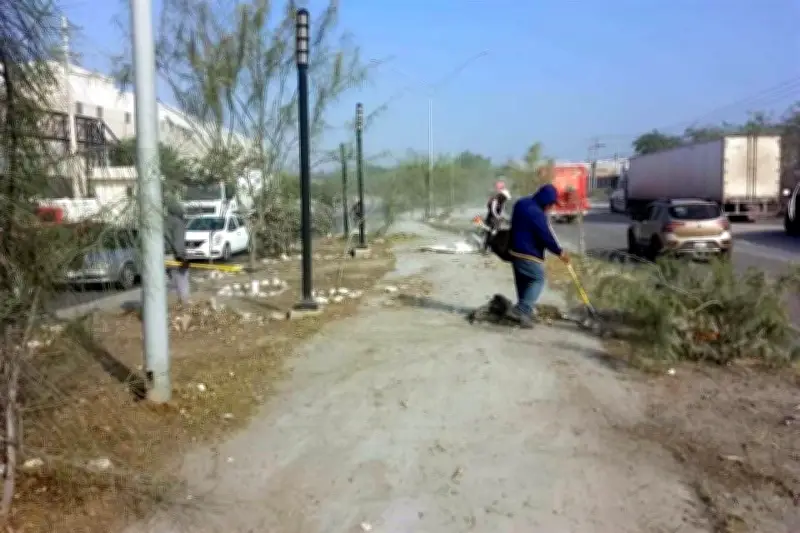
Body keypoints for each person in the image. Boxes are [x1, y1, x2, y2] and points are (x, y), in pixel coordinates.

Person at [507, 183, 569, 328]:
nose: (551, 207)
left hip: (514, 251)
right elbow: (545, 236)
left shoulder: (521, 203)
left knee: (524, 282)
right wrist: (559, 252)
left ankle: (523, 315)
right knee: (537, 279)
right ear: (546, 201)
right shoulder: (536, 213)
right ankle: (521, 311)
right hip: (529, 254)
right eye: (551, 204)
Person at [164, 200, 190, 304]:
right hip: (172, 256)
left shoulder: (163, 221)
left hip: (158, 257)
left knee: (167, 282)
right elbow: (178, 243)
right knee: (182, 279)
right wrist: (182, 259)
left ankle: (166, 305)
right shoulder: (178, 223)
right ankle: (184, 305)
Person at [483, 181, 511, 253]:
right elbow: (493, 211)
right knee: (489, 234)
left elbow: (501, 212)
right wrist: (498, 217)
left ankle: (492, 248)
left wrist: (505, 218)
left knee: (496, 234)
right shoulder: (495, 201)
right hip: (490, 219)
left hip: (496, 221)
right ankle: (485, 249)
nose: (505, 199)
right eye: (505, 197)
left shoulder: (502, 203)